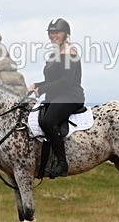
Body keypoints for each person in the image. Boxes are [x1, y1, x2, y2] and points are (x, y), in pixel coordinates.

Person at [27, 18, 85, 178]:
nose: (53, 35)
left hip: (70, 96)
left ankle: (62, 164)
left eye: (56, 32)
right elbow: (52, 80)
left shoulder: (69, 52)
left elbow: (66, 81)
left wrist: (43, 89)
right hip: (56, 96)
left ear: (66, 34)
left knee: (48, 121)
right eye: (51, 33)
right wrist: (35, 85)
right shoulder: (55, 54)